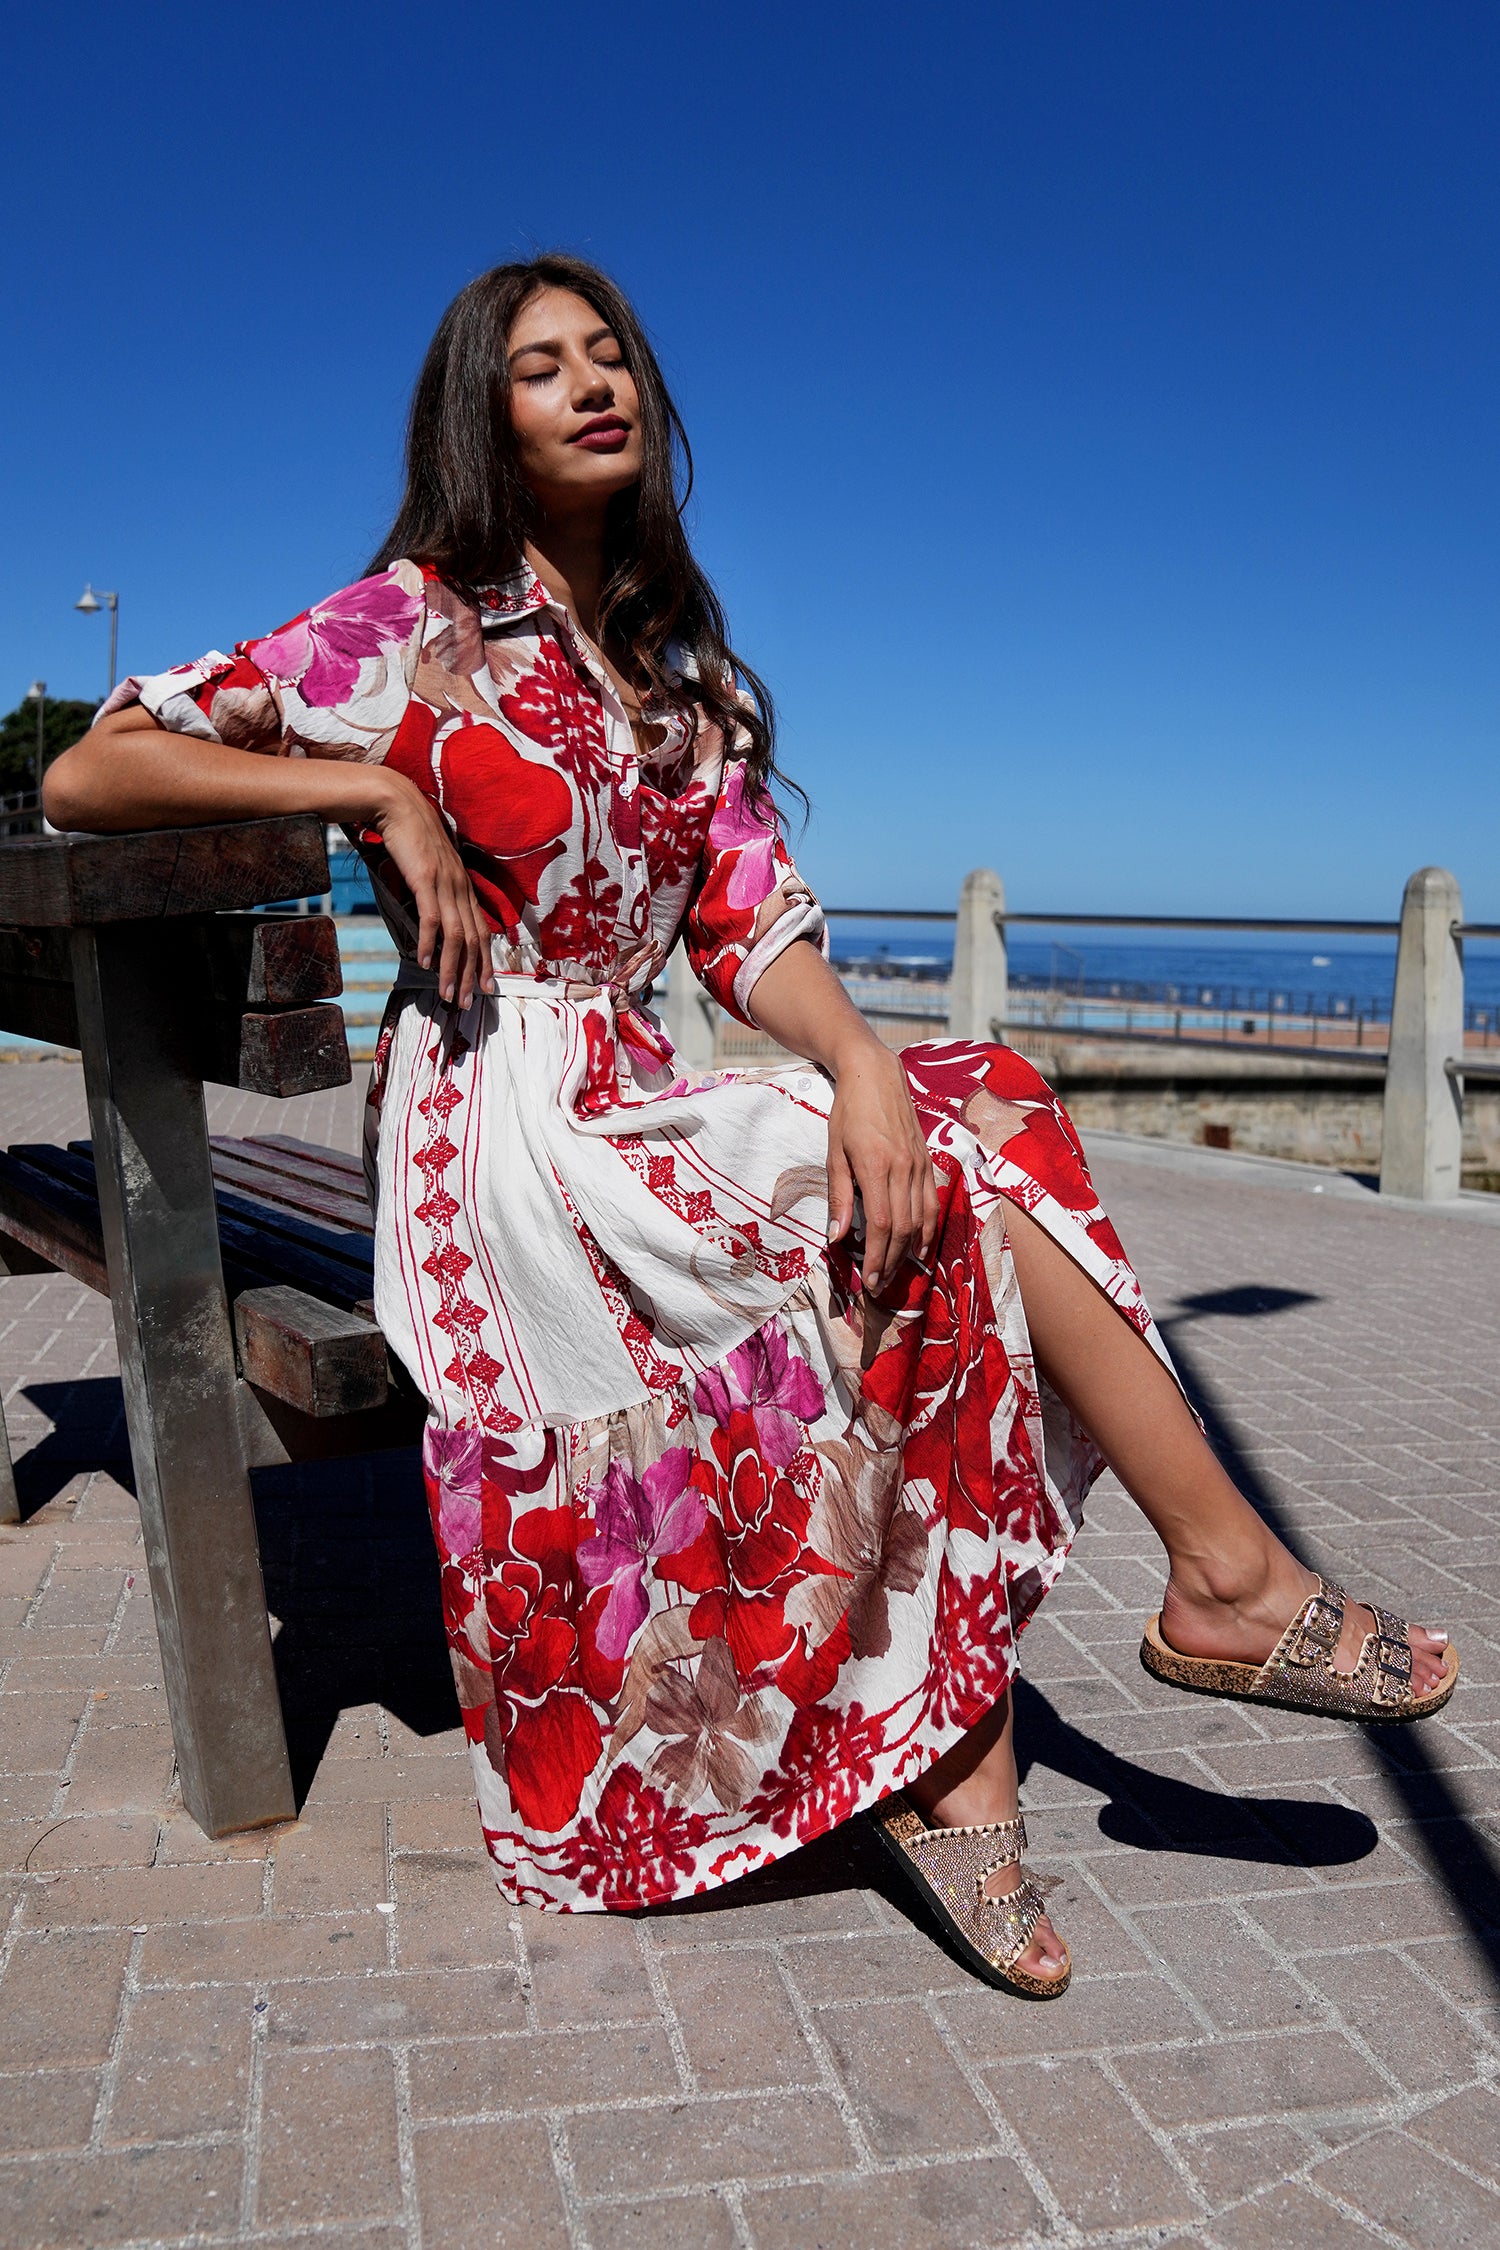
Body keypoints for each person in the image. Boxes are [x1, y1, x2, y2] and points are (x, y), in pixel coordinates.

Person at [45, 255, 1456, 2000]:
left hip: (638, 1087)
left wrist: (863, 1060)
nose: (591, 383)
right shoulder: (407, 626)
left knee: (955, 1128)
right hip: (493, 1124)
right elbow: (90, 771)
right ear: (481, 417)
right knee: (935, 1186)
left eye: (611, 353)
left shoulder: (670, 677)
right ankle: (1104, 1665)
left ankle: (1122, 1646)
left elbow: (753, 928)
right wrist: (371, 782)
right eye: (541, 366)